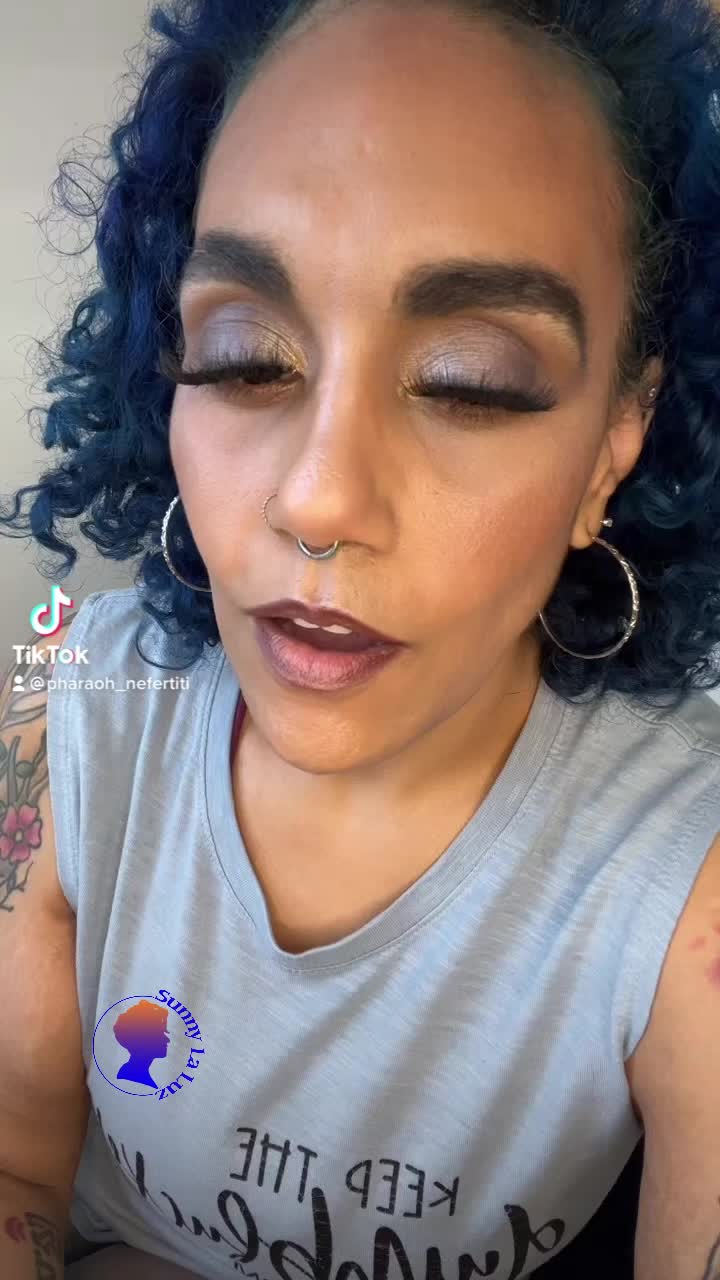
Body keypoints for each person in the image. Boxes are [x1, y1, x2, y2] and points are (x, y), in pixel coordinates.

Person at [1, 0, 720, 1275]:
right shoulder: (70, 692)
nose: (319, 496)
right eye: (244, 360)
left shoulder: (684, 864)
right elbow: (15, 1159)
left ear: (616, 439)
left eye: (468, 380)